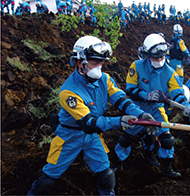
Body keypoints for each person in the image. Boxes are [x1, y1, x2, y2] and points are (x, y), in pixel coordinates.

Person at [27, 36, 156, 196]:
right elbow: (89, 122)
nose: (99, 68)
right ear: (81, 62)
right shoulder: (69, 92)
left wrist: (141, 114)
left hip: (91, 137)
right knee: (47, 182)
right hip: (69, 137)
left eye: (101, 63)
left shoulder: (105, 79)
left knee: (107, 176)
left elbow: (121, 100)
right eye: (95, 63)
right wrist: (120, 122)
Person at [114, 33, 190, 178]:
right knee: (127, 137)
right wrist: (146, 95)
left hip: (157, 108)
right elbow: (130, 90)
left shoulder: (170, 72)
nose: (159, 60)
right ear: (147, 55)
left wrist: (185, 105)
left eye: (162, 57)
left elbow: (177, 92)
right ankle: (117, 162)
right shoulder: (137, 66)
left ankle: (165, 166)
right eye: (155, 58)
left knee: (166, 137)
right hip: (137, 106)